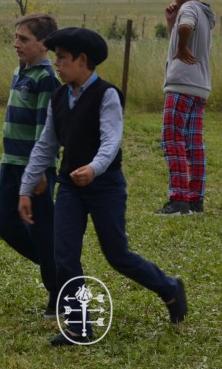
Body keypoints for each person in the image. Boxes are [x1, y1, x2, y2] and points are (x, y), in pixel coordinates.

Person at [18, 27, 187, 346]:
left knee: (117, 255)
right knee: (64, 256)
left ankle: (169, 288)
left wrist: (94, 169)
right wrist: (26, 188)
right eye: (56, 58)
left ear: (83, 61)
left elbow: (112, 140)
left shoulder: (106, 95)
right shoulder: (59, 96)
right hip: (69, 186)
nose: (58, 64)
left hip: (105, 185)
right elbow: (46, 144)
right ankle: (79, 326)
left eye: (63, 58)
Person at [0, 14, 59, 318]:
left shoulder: (47, 79)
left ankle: (59, 291)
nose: (16, 43)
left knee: (42, 232)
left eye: (24, 39)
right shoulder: (20, 72)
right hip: (11, 163)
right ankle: (59, 269)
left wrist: (40, 171)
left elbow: (44, 131)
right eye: (16, 37)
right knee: (6, 225)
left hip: (33, 169)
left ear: (44, 44)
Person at [157, 0, 216, 215]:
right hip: (199, 87)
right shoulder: (205, 12)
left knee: (172, 138)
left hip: (181, 84)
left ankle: (179, 199)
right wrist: (172, 23)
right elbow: (182, 31)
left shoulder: (189, 9)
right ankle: (194, 200)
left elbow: (185, 29)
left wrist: (181, 45)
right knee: (193, 143)